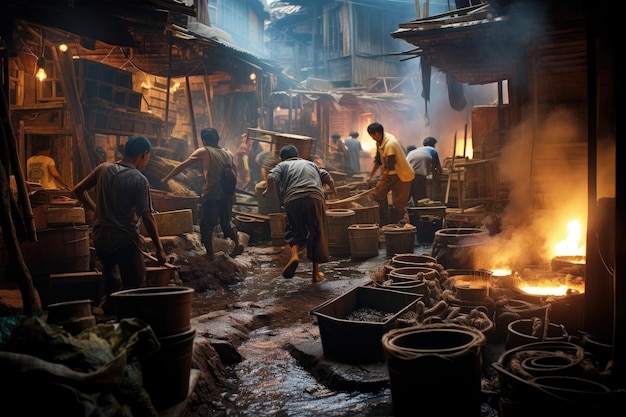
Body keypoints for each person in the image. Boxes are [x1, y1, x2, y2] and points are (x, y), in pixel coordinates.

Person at [72, 135, 167, 309]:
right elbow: (147, 216)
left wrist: (96, 209)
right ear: (144, 154)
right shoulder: (139, 179)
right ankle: (129, 319)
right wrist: (160, 250)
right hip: (125, 241)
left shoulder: (103, 168)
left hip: (100, 238)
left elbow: (77, 190)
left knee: (109, 276)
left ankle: (108, 311)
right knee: (137, 286)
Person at [161, 127, 244, 260]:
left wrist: (166, 178)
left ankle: (210, 255)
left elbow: (183, 165)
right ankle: (237, 245)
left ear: (204, 140)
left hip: (212, 194)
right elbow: (235, 172)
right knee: (226, 223)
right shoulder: (228, 152)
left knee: (206, 225)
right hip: (227, 195)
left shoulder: (204, 150)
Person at [263, 145, 336, 283]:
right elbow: (327, 176)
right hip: (315, 198)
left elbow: (271, 176)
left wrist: (268, 190)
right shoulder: (310, 164)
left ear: (282, 158)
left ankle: (295, 256)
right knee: (316, 232)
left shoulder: (282, 165)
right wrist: (333, 188)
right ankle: (315, 274)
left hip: (293, 198)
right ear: (297, 154)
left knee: (294, 228)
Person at [365, 122, 415, 226]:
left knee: (399, 202)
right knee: (378, 195)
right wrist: (370, 177)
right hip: (392, 174)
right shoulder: (380, 141)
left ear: (377, 134)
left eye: (372, 136)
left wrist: (382, 178)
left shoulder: (390, 144)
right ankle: (384, 221)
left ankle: (404, 226)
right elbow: (378, 161)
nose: (372, 138)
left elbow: (390, 166)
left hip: (403, 175)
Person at [406, 136, 443, 204]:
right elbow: (437, 167)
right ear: (433, 145)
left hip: (409, 162)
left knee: (408, 194)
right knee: (421, 196)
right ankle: (420, 210)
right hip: (419, 173)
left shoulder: (419, 149)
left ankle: (408, 209)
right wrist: (439, 175)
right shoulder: (433, 150)